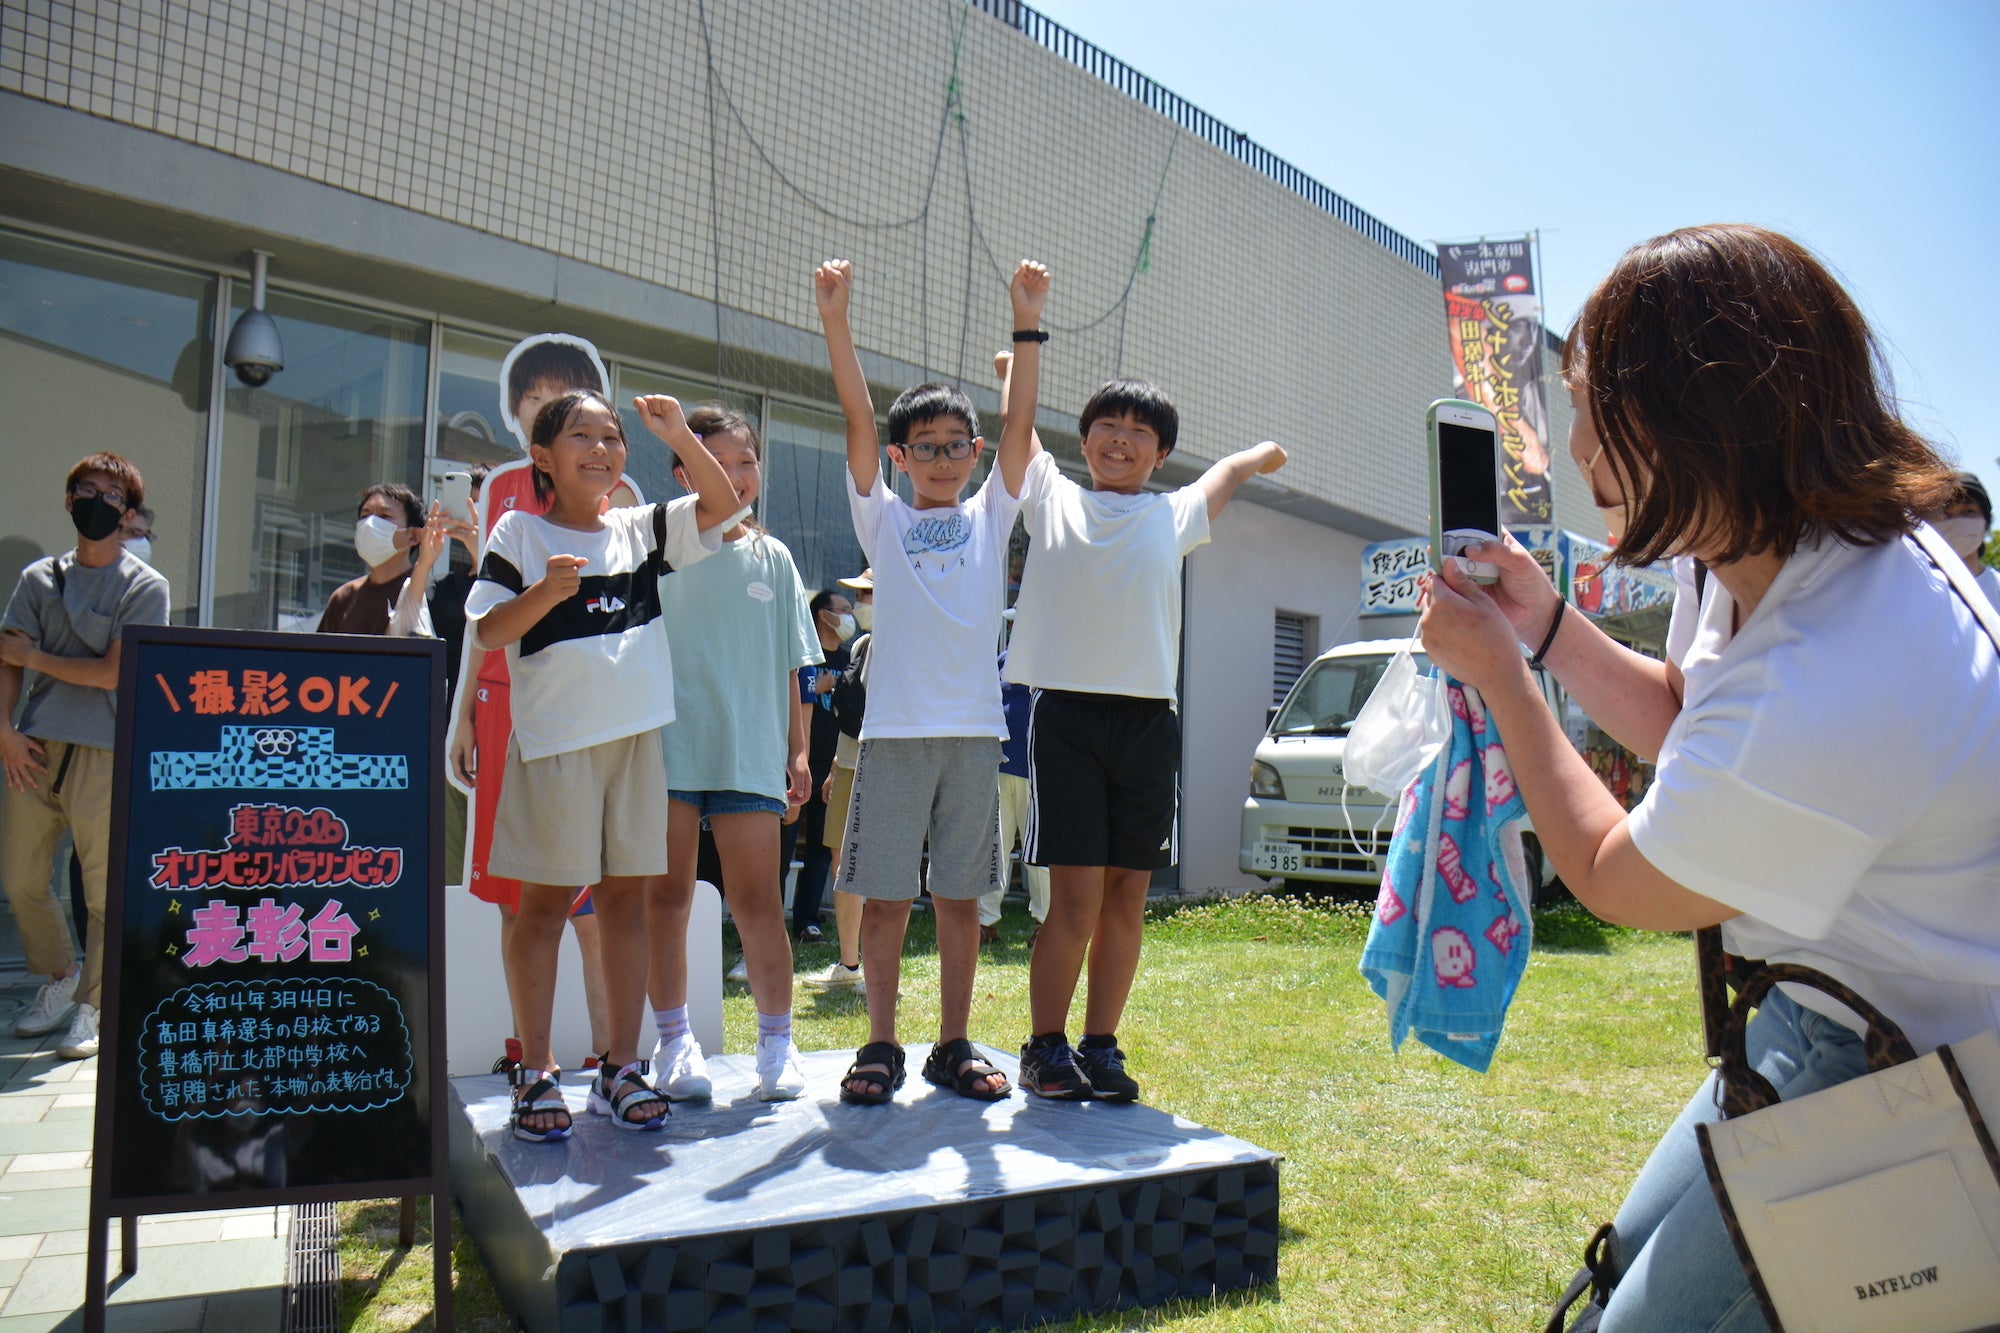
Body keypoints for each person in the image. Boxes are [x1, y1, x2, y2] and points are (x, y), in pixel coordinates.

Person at [1416, 223, 2000, 1330]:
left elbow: (1613, 874)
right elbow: (1690, 714)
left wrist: (1501, 679)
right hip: (1813, 1003)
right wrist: (1540, 621)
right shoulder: (1760, 552)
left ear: (1708, 418)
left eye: (1599, 408)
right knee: (1606, 1287)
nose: (1573, 444)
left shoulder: (1837, 672)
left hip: (1919, 1072)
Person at [463, 389, 736, 1141]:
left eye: (612, 436)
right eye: (579, 435)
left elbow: (723, 502)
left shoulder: (639, 528)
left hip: (637, 741)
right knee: (543, 908)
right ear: (542, 458)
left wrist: (678, 431)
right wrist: (546, 593)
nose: (601, 447)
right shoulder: (517, 530)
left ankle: (620, 1066)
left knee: (625, 904)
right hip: (555, 744)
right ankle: (538, 1070)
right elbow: (487, 630)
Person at [1005, 375, 1286, 1101]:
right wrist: (1020, 352)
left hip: (1146, 725)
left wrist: (1253, 456)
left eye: (1140, 431)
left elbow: (1222, 473)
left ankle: (1101, 1045)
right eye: (1108, 423)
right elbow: (1019, 428)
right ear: (1085, 435)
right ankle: (1044, 1046)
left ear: (1160, 454)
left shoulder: (1173, 513)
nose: (1120, 439)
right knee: (1074, 899)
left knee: (1127, 894)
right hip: (1067, 718)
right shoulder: (1051, 495)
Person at [816, 256, 1050, 1104]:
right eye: (926, 449)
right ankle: (880, 1043)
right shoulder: (882, 517)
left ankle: (953, 1042)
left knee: (960, 902)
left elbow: (1021, 420)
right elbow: (853, 410)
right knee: (884, 901)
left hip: (971, 736)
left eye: (957, 447)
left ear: (975, 453)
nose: (943, 460)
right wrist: (837, 321)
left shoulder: (992, 516)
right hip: (894, 738)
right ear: (900, 456)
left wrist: (1026, 323)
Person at [453, 339, 638, 1075]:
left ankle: (608, 1047)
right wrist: (464, 709)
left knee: (593, 891)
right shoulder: (503, 496)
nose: (586, 440)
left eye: (591, 417)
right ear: (528, 424)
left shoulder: (621, 503)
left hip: (590, 702)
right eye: (543, 404)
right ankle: (529, 1052)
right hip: (506, 695)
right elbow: (484, 615)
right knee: (516, 886)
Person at [644, 404, 818, 1104]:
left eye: (747, 461)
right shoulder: (657, 546)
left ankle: (777, 1040)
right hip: (664, 749)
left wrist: (798, 749)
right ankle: (672, 1040)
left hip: (748, 752)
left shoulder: (772, 556)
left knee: (757, 902)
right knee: (666, 898)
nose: (738, 476)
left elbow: (791, 665)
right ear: (686, 473)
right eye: (720, 463)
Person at [2, 453, 171, 1060]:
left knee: (103, 892)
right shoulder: (38, 578)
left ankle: (93, 1007)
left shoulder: (145, 587)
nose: (96, 501)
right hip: (33, 747)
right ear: (69, 498)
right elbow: (5, 655)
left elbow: (111, 673)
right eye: (86, 490)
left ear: (127, 512)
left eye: (111, 494)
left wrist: (35, 657)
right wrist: (4, 728)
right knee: (21, 876)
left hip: (106, 750)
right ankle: (57, 975)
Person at [804, 568, 874, 992]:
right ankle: (850, 965)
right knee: (842, 865)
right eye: (853, 598)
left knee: (874, 870)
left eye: (865, 595)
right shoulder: (862, 646)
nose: (859, 605)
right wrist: (833, 767)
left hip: (881, 767)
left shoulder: (902, 645)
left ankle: (874, 965)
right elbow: (850, 717)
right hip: (847, 765)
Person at [778, 587, 855, 944]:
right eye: (842, 609)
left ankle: (808, 920)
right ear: (823, 615)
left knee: (823, 849)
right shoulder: (804, 656)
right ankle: (771, 921)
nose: (849, 616)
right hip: (796, 764)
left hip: (833, 766)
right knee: (783, 844)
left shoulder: (851, 660)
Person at [317, 483, 436, 635]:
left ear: (413, 536)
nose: (370, 524)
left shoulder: (426, 593)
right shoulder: (343, 597)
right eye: (365, 516)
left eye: (385, 516)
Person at [1933, 470, 1999, 605]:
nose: (1958, 521)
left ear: (1985, 522)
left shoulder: (1997, 589)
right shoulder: (1925, 588)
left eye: (1969, 511)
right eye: (1947, 514)